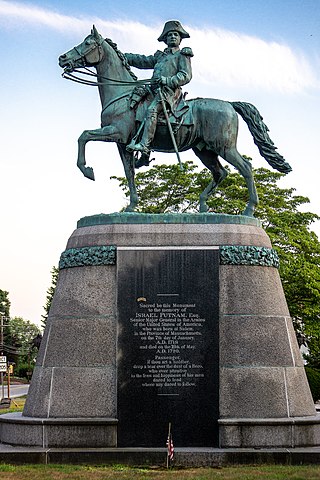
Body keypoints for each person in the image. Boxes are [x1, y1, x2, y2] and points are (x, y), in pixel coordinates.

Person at [125, 20, 193, 155]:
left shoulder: (182, 55)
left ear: (180, 38)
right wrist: (125, 56)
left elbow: (185, 75)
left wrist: (166, 80)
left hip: (170, 92)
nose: (173, 37)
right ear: (165, 39)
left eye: (175, 34)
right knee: (135, 105)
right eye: (169, 35)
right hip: (154, 91)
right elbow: (143, 61)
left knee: (152, 110)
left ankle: (145, 145)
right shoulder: (161, 57)